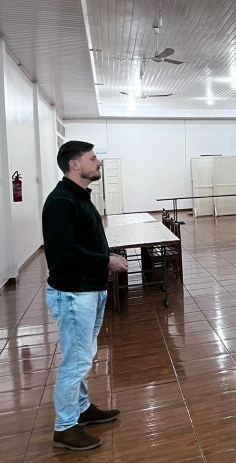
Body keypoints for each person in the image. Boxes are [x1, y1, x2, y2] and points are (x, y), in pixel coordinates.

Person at [43, 141, 128, 451]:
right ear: (74, 165)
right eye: (93, 158)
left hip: (88, 290)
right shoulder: (62, 202)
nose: (99, 162)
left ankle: (81, 409)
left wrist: (104, 255)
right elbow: (64, 253)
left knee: (82, 355)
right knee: (76, 361)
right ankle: (65, 428)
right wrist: (105, 260)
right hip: (74, 293)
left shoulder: (78, 196)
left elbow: (84, 240)